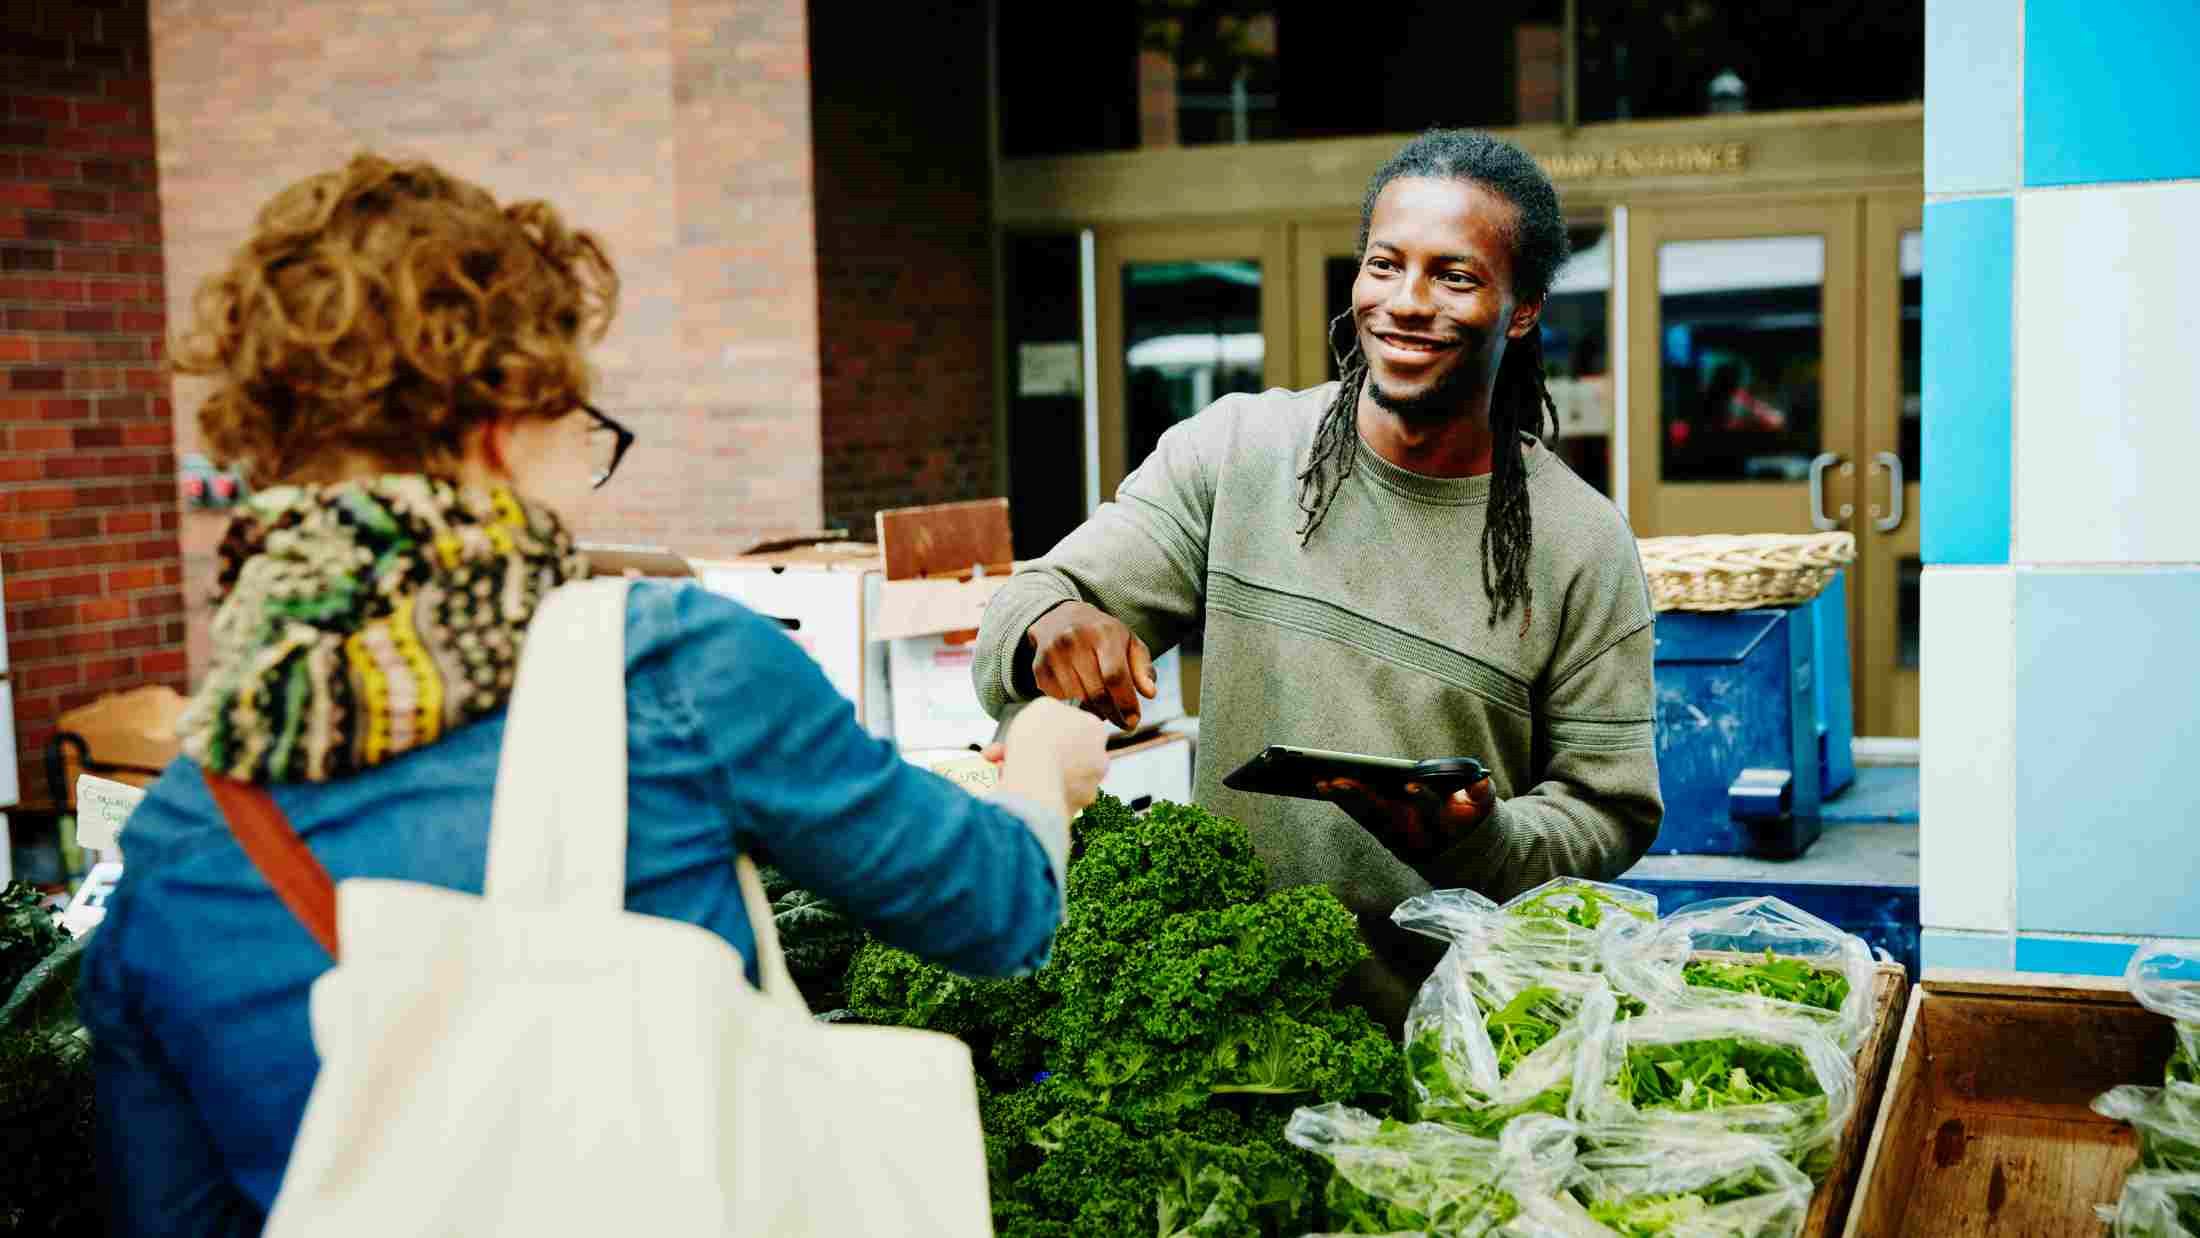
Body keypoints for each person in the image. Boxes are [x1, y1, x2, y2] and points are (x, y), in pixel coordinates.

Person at [77, 153, 1111, 1233]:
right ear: (496, 427)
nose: (587, 463)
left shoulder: (179, 833)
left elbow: (176, 1214)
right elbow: (996, 913)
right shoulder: (669, 668)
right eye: (580, 424)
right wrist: (1040, 762)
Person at [972, 129, 1662, 1027]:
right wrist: (1051, 622)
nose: (1406, 303)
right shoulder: (1237, 453)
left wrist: (1479, 841)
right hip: (1227, 1029)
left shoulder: (1582, 542)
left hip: (1457, 1043)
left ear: (1521, 308)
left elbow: (1609, 813)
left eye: (1454, 277)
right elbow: (1023, 607)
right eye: (1385, 264)